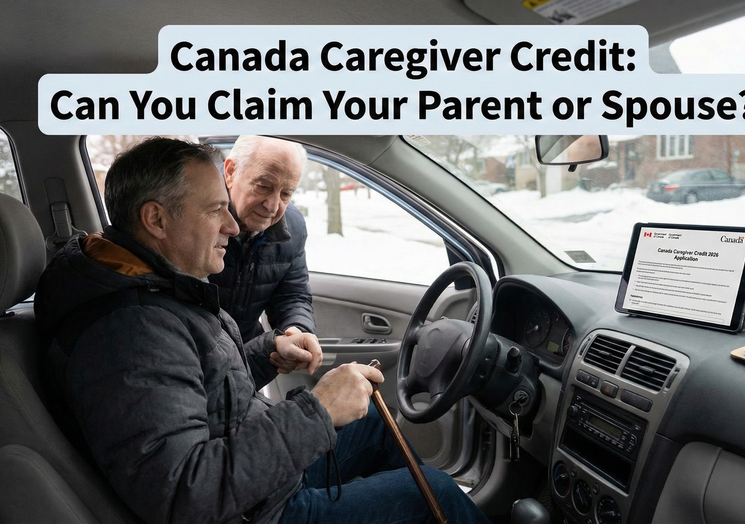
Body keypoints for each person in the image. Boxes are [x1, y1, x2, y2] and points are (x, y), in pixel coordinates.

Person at [34, 137, 488, 524]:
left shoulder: (152, 288)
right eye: (216, 209)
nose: (232, 225)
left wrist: (267, 351)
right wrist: (318, 411)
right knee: (433, 493)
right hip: (257, 511)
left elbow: (200, 388)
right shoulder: (132, 329)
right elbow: (184, 492)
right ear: (156, 219)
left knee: (369, 420)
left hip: (251, 478)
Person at [209, 136, 314, 361]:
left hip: (246, 357)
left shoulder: (293, 226)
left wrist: (296, 331)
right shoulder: (194, 216)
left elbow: (292, 295)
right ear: (230, 172)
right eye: (263, 187)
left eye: (286, 194)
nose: (273, 206)